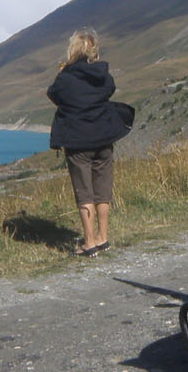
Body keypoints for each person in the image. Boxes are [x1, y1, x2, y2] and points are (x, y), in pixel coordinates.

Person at [47, 27, 131, 256]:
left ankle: (89, 243)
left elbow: (53, 94)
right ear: (94, 50)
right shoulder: (102, 74)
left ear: (72, 50)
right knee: (103, 190)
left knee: (84, 192)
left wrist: (63, 73)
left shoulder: (65, 77)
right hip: (104, 137)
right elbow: (110, 89)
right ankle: (103, 238)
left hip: (78, 142)